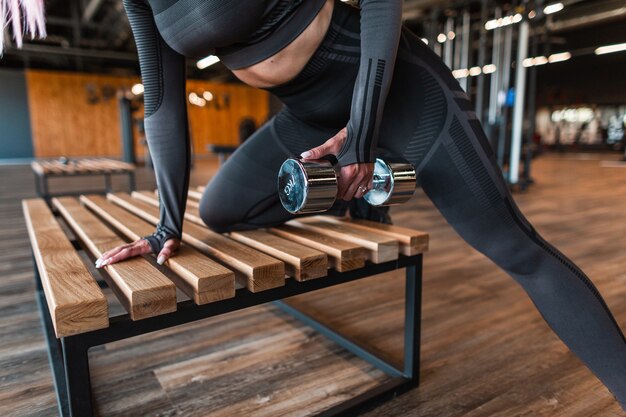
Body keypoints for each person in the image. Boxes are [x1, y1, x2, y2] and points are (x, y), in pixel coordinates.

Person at [5, 0, 626, 409]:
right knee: (220, 210)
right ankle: (361, 191)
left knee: (516, 249)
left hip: (393, 88)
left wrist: (361, 129)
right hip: (306, 118)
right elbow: (164, 99)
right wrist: (168, 221)